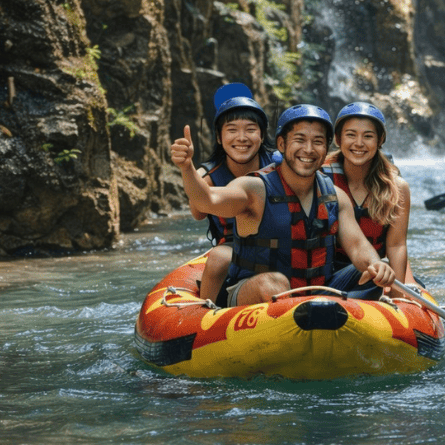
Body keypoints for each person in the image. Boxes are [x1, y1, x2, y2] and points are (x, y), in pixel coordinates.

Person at [170, 104, 395, 306]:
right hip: (255, 292)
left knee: (372, 274)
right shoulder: (253, 189)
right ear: (281, 144)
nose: (308, 149)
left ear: (326, 149)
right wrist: (187, 167)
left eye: (317, 142)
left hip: (317, 291)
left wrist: (377, 266)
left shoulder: (335, 196)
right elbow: (207, 200)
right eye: (299, 140)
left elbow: (357, 247)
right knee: (273, 284)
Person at [320, 102, 416, 294]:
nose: (359, 143)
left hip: (375, 271)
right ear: (338, 139)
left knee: (375, 274)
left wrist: (398, 293)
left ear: (380, 140)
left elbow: (396, 245)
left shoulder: (397, 187)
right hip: (326, 276)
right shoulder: (320, 178)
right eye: (351, 135)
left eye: (368, 136)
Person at [193, 90, 278, 303]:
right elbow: (197, 213)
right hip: (233, 244)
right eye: (232, 130)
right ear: (219, 138)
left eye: (250, 130)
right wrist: (188, 170)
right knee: (219, 258)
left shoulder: (281, 164)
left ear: (261, 135)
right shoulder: (208, 176)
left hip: (280, 240)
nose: (241, 138)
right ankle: (204, 315)